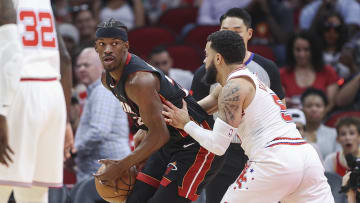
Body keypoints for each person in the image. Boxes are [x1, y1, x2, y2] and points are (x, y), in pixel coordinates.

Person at [163, 30, 334, 202]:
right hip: (306, 157)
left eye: (207, 55)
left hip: (275, 158)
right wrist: (165, 117)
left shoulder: (233, 89)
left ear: (218, 59)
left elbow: (218, 145)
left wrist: (186, 124)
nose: (204, 61)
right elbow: (198, 109)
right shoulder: (242, 82)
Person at [93, 18, 224, 203]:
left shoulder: (139, 80)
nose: (108, 50)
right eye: (102, 44)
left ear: (126, 46)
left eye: (114, 44)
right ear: (96, 48)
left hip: (197, 143)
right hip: (169, 140)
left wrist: (121, 165)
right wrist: (145, 127)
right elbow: (153, 118)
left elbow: (159, 134)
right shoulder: (107, 80)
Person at [191, 8, 285, 203]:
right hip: (225, 151)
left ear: (249, 33)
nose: (229, 36)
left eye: (236, 31)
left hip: (261, 151)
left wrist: (183, 122)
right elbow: (198, 112)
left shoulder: (263, 69)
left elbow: (281, 112)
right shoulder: (205, 72)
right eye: (225, 30)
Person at [0, 0, 73, 202]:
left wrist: (2, 110)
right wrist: (66, 121)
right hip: (52, 92)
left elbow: (10, 54)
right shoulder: (42, 2)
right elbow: (65, 58)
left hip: (17, 90)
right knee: (34, 194)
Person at [73, 47, 131, 183]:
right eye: (78, 66)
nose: (81, 69)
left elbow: (99, 131)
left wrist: (75, 151)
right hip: (103, 172)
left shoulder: (102, 90)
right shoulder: (96, 90)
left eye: (86, 65)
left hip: (109, 173)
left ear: (101, 67)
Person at [280, 31, 340, 112]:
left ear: (314, 50)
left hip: (321, 121)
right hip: (290, 121)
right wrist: (283, 103)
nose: (302, 54)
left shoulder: (328, 72)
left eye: (306, 49)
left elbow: (331, 103)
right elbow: (278, 100)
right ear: (291, 51)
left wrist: (315, 118)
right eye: (298, 50)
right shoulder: (282, 74)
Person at [301, 88, 340, 160]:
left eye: (318, 106)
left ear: (325, 109)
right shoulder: (294, 134)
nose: (314, 109)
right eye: (309, 106)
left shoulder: (334, 134)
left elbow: (338, 161)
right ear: (302, 109)